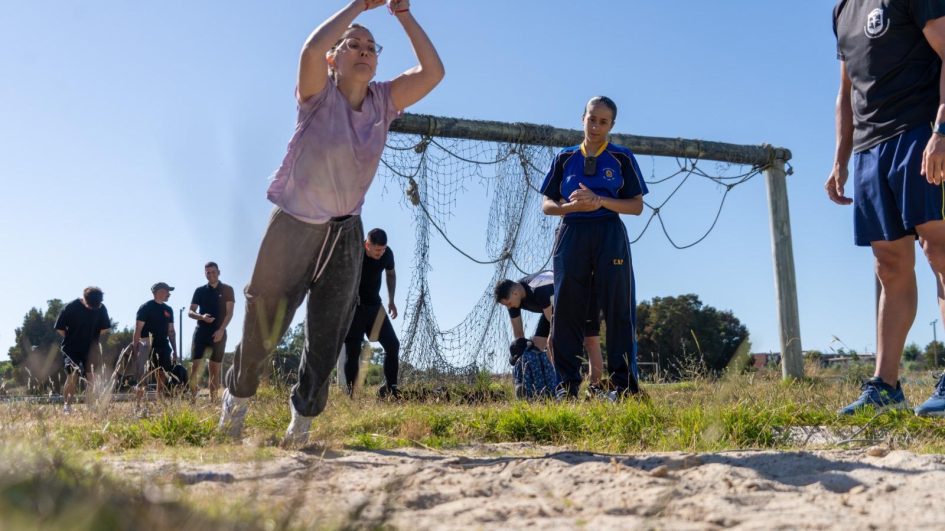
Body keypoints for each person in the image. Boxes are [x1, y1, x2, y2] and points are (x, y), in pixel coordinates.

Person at [220, 0, 444, 444]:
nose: (363, 51)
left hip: (345, 232)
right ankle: (237, 402)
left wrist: (402, 14)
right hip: (293, 225)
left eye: (370, 47)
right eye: (353, 44)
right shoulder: (317, 94)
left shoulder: (383, 101)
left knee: (328, 334)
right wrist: (360, 4)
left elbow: (433, 72)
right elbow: (309, 50)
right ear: (333, 58)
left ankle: (301, 422)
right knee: (263, 326)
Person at [829, 1, 945, 415]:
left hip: (920, 131)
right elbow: (846, 91)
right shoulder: (841, 10)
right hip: (869, 148)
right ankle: (886, 389)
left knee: (939, 250)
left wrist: (941, 130)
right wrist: (841, 159)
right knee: (889, 264)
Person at [539, 96, 648, 400]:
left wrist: (599, 200)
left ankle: (624, 387)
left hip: (608, 231)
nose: (596, 126)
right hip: (571, 231)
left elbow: (636, 206)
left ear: (612, 125)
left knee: (618, 308)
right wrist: (571, 208)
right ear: (583, 118)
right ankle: (566, 387)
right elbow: (547, 204)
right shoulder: (564, 157)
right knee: (567, 308)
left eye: (603, 121)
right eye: (592, 119)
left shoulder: (622, 157)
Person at [493, 271, 606, 396]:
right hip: (553, 307)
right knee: (533, 350)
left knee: (589, 342)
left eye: (509, 303)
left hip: (583, 296)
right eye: (506, 305)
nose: (509, 307)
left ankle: (593, 389)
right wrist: (520, 358)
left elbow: (557, 330)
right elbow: (519, 337)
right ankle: (541, 389)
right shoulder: (513, 300)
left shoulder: (539, 289)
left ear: (515, 293)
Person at [343, 228, 401, 398]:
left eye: (383, 250)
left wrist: (391, 300)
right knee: (353, 349)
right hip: (354, 306)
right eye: (377, 250)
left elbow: (391, 274)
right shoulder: (354, 253)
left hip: (375, 305)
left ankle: (391, 390)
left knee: (393, 345)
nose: (380, 254)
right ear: (367, 245)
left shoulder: (387, 254)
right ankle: (352, 394)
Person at [54, 287, 112, 413]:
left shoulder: (101, 308)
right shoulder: (70, 307)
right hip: (71, 348)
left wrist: (92, 336)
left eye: (95, 306)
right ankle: (67, 407)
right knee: (72, 375)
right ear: (84, 298)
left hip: (91, 349)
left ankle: (90, 406)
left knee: (92, 377)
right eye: (90, 305)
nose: (92, 308)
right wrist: (72, 337)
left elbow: (105, 327)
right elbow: (59, 327)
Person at [188, 262, 235, 401]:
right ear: (205, 274)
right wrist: (201, 317)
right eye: (208, 272)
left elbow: (230, 313)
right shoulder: (199, 291)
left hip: (218, 333)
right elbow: (190, 312)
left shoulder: (228, 289)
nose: (211, 275)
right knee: (196, 367)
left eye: (213, 272)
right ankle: (193, 401)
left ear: (218, 272)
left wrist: (221, 330)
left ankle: (213, 401)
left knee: (214, 368)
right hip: (201, 332)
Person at [134, 282, 177, 400]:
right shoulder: (145, 307)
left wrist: (175, 350)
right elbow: (138, 329)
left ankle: (160, 401)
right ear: (160, 291)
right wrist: (135, 348)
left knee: (162, 375)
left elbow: (171, 331)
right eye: (167, 291)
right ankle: (139, 404)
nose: (169, 294)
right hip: (147, 346)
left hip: (164, 346)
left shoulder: (168, 310)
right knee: (143, 377)